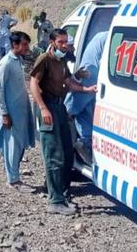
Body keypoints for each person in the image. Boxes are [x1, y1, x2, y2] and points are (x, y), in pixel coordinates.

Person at [30, 28, 96, 215]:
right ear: (52, 42)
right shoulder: (45, 60)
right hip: (48, 105)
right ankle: (55, 201)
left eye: (66, 41)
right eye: (60, 42)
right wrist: (43, 108)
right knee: (54, 155)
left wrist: (86, 89)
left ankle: (63, 194)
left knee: (67, 152)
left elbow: (68, 82)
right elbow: (34, 83)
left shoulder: (61, 60)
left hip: (60, 107)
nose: (64, 45)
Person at [0, 31, 35, 190]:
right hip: (11, 113)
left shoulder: (17, 61)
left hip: (20, 112)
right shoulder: (6, 63)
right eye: (24, 45)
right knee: (12, 145)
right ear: (14, 45)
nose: (27, 48)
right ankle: (13, 180)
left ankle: (15, 176)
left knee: (19, 144)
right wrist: (4, 113)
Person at [66, 30, 107, 164]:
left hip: (88, 79)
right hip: (90, 76)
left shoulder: (101, 36)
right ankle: (85, 142)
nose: (73, 48)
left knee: (84, 109)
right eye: (71, 46)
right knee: (83, 107)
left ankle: (85, 142)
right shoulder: (107, 37)